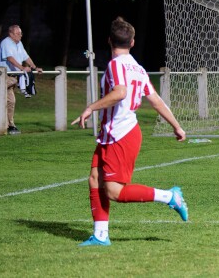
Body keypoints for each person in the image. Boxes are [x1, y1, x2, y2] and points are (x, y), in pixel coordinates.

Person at [72, 17, 189, 247]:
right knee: (95, 179)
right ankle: (101, 236)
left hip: (121, 134)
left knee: (114, 192)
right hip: (112, 133)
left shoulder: (116, 64)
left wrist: (90, 108)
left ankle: (169, 196)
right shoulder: (138, 68)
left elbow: (120, 92)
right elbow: (155, 101)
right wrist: (176, 125)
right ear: (132, 42)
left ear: (108, 41)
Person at [0, 25, 42, 135]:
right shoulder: (6, 42)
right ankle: (3, 126)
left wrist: (35, 67)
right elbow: (9, 58)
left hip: (13, 77)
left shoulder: (19, 44)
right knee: (3, 100)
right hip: (4, 76)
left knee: (11, 101)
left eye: (21, 33)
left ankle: (10, 125)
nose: (20, 35)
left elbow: (26, 57)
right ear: (11, 34)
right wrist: (22, 68)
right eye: (18, 33)